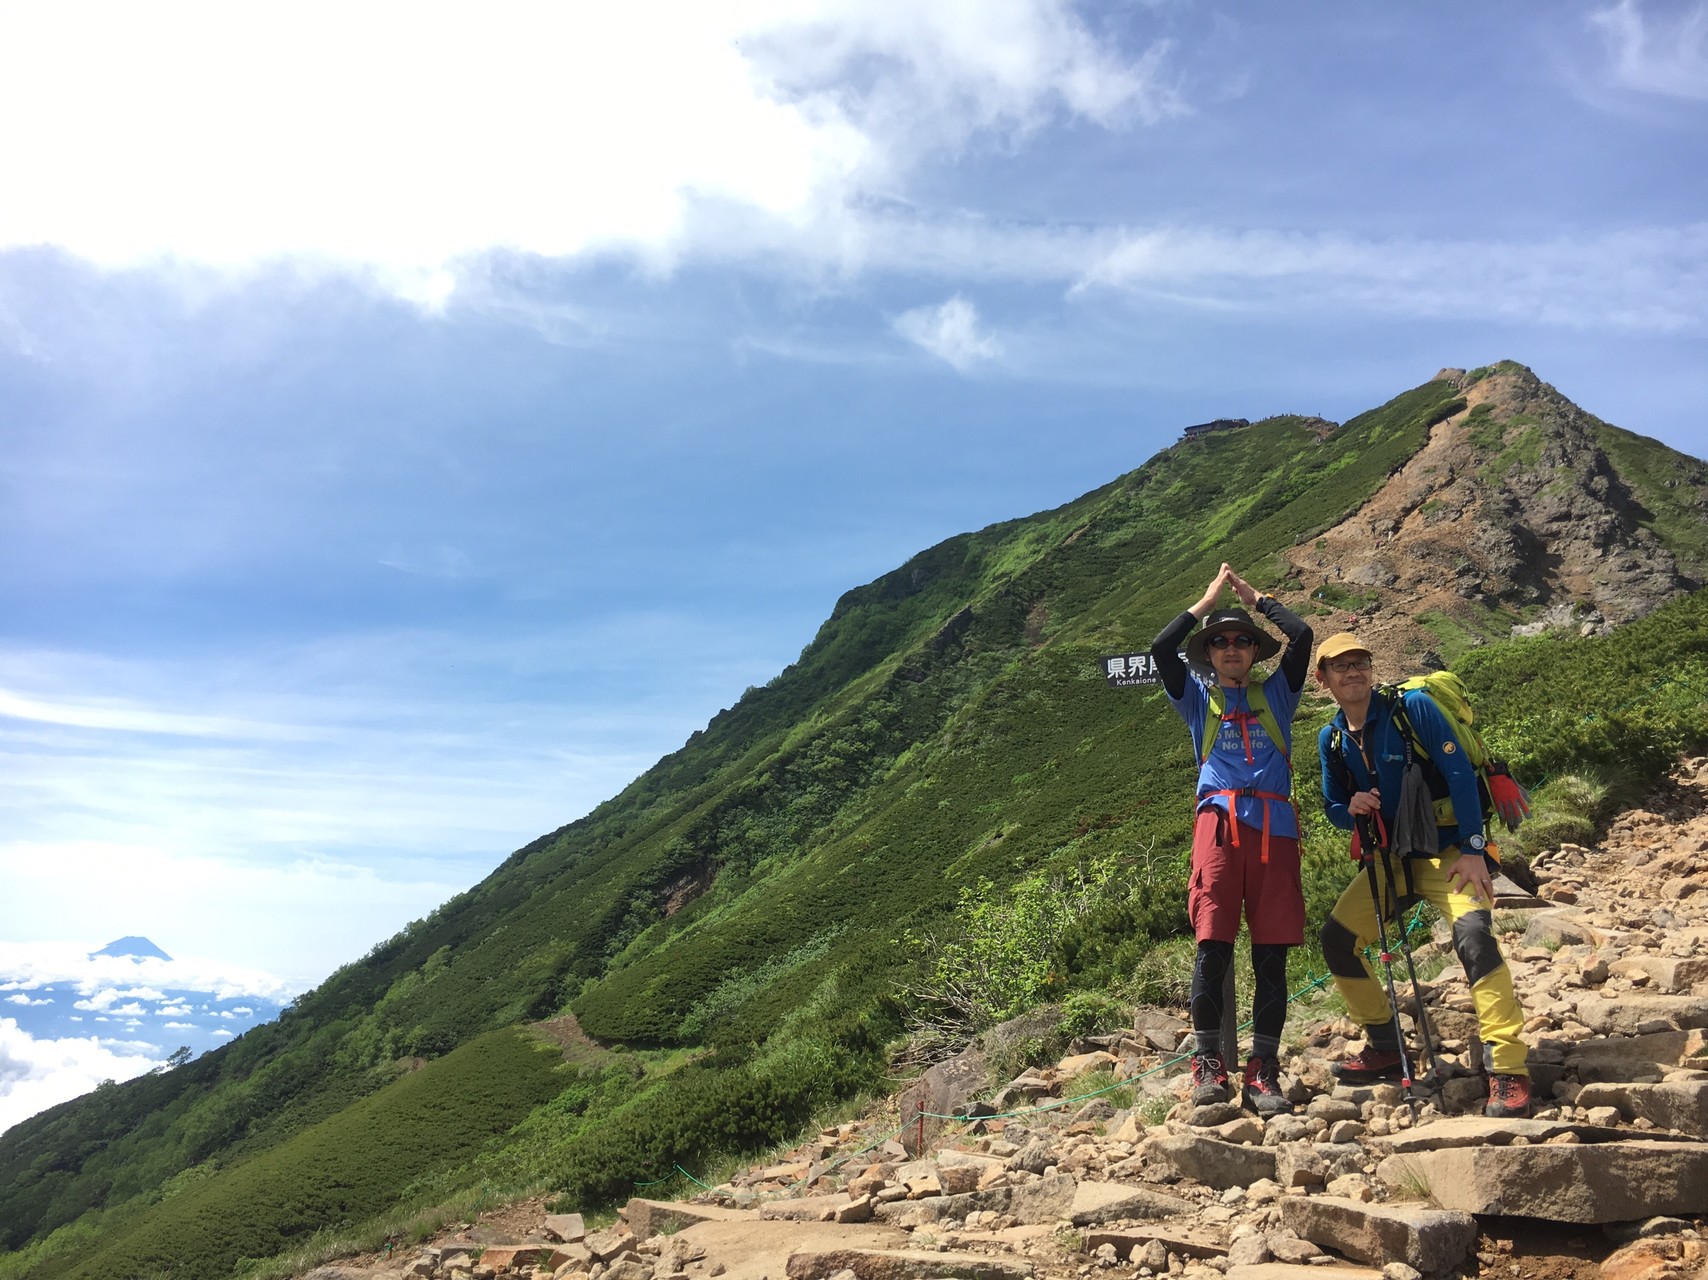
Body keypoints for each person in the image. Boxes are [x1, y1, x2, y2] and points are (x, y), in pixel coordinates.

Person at [1313, 633, 1531, 1118]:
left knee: (1473, 937)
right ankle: (1386, 1045)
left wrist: (1475, 850)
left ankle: (1509, 1068)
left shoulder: (1411, 710)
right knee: (1337, 940)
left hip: (1449, 852)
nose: (1353, 672)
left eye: (1360, 662)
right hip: (1392, 860)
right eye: (1340, 666)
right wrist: (1350, 810)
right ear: (1322, 678)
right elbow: (1331, 806)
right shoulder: (1331, 737)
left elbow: (1457, 774)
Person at [1151, 564, 1314, 1115]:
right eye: (1219, 642)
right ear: (1209, 653)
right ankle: (1208, 1066)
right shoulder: (1198, 701)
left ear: (1254, 651)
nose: (1231, 648)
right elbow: (1160, 648)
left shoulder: (1279, 696)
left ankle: (1263, 1070)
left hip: (1276, 831)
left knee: (1272, 956)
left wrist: (1255, 597)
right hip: (1217, 829)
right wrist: (1206, 602)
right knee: (1213, 947)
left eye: (1242, 641)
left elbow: (1305, 637)